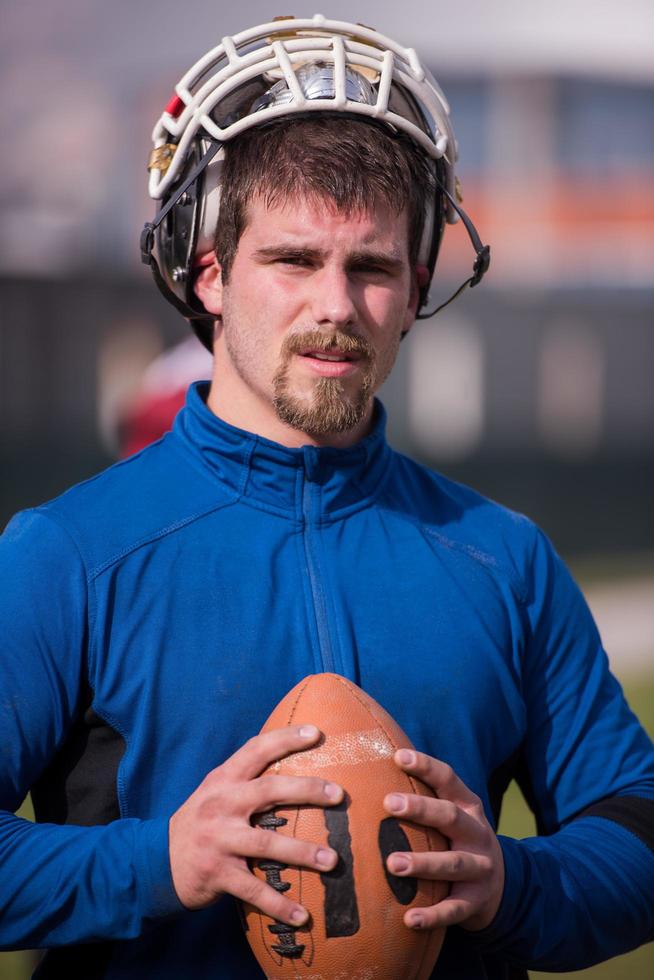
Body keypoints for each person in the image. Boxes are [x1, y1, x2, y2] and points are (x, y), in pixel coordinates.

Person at [1, 15, 653, 980]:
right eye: (295, 260)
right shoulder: (68, 553)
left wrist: (513, 885)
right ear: (211, 276)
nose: (337, 307)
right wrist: (158, 863)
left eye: (374, 268)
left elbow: (634, 828)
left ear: (418, 285)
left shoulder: (502, 557)